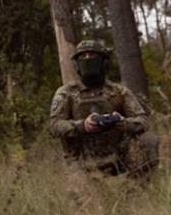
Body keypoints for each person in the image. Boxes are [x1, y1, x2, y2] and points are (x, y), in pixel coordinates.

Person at [49, 40, 159, 177]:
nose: (87, 59)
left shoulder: (118, 91)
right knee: (83, 196)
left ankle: (138, 184)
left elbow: (143, 120)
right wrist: (83, 125)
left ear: (104, 62)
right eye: (83, 57)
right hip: (80, 162)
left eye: (92, 55)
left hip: (119, 157)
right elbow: (54, 125)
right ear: (77, 64)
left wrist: (124, 123)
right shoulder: (66, 93)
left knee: (149, 139)